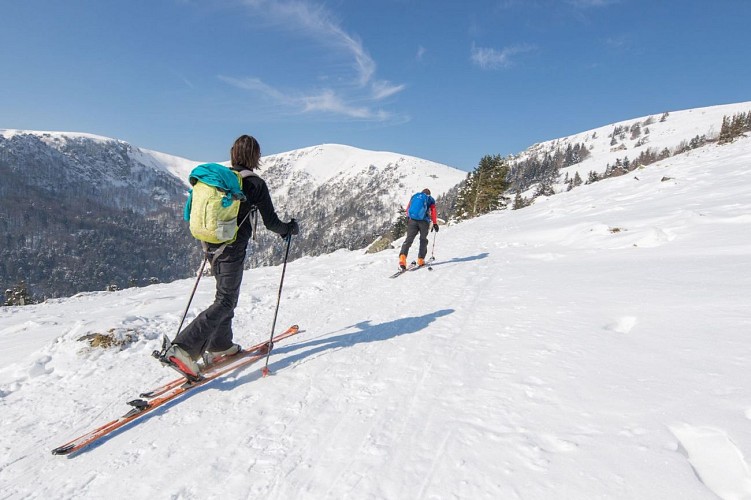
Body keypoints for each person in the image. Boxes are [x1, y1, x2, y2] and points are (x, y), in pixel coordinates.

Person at [163, 135, 299, 379]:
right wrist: (289, 228)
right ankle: (182, 348)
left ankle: (220, 345)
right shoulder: (254, 184)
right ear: (255, 156)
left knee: (225, 296)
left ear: (233, 153)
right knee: (226, 300)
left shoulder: (221, 180)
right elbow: (272, 223)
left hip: (210, 244)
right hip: (232, 248)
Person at [399, 188, 438, 270]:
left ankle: (402, 258)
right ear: (429, 194)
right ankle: (420, 260)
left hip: (412, 220)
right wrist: (434, 223)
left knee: (408, 240)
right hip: (424, 222)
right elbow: (433, 211)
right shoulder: (430, 199)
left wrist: (408, 217)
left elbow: (408, 208)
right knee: (423, 240)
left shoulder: (415, 196)